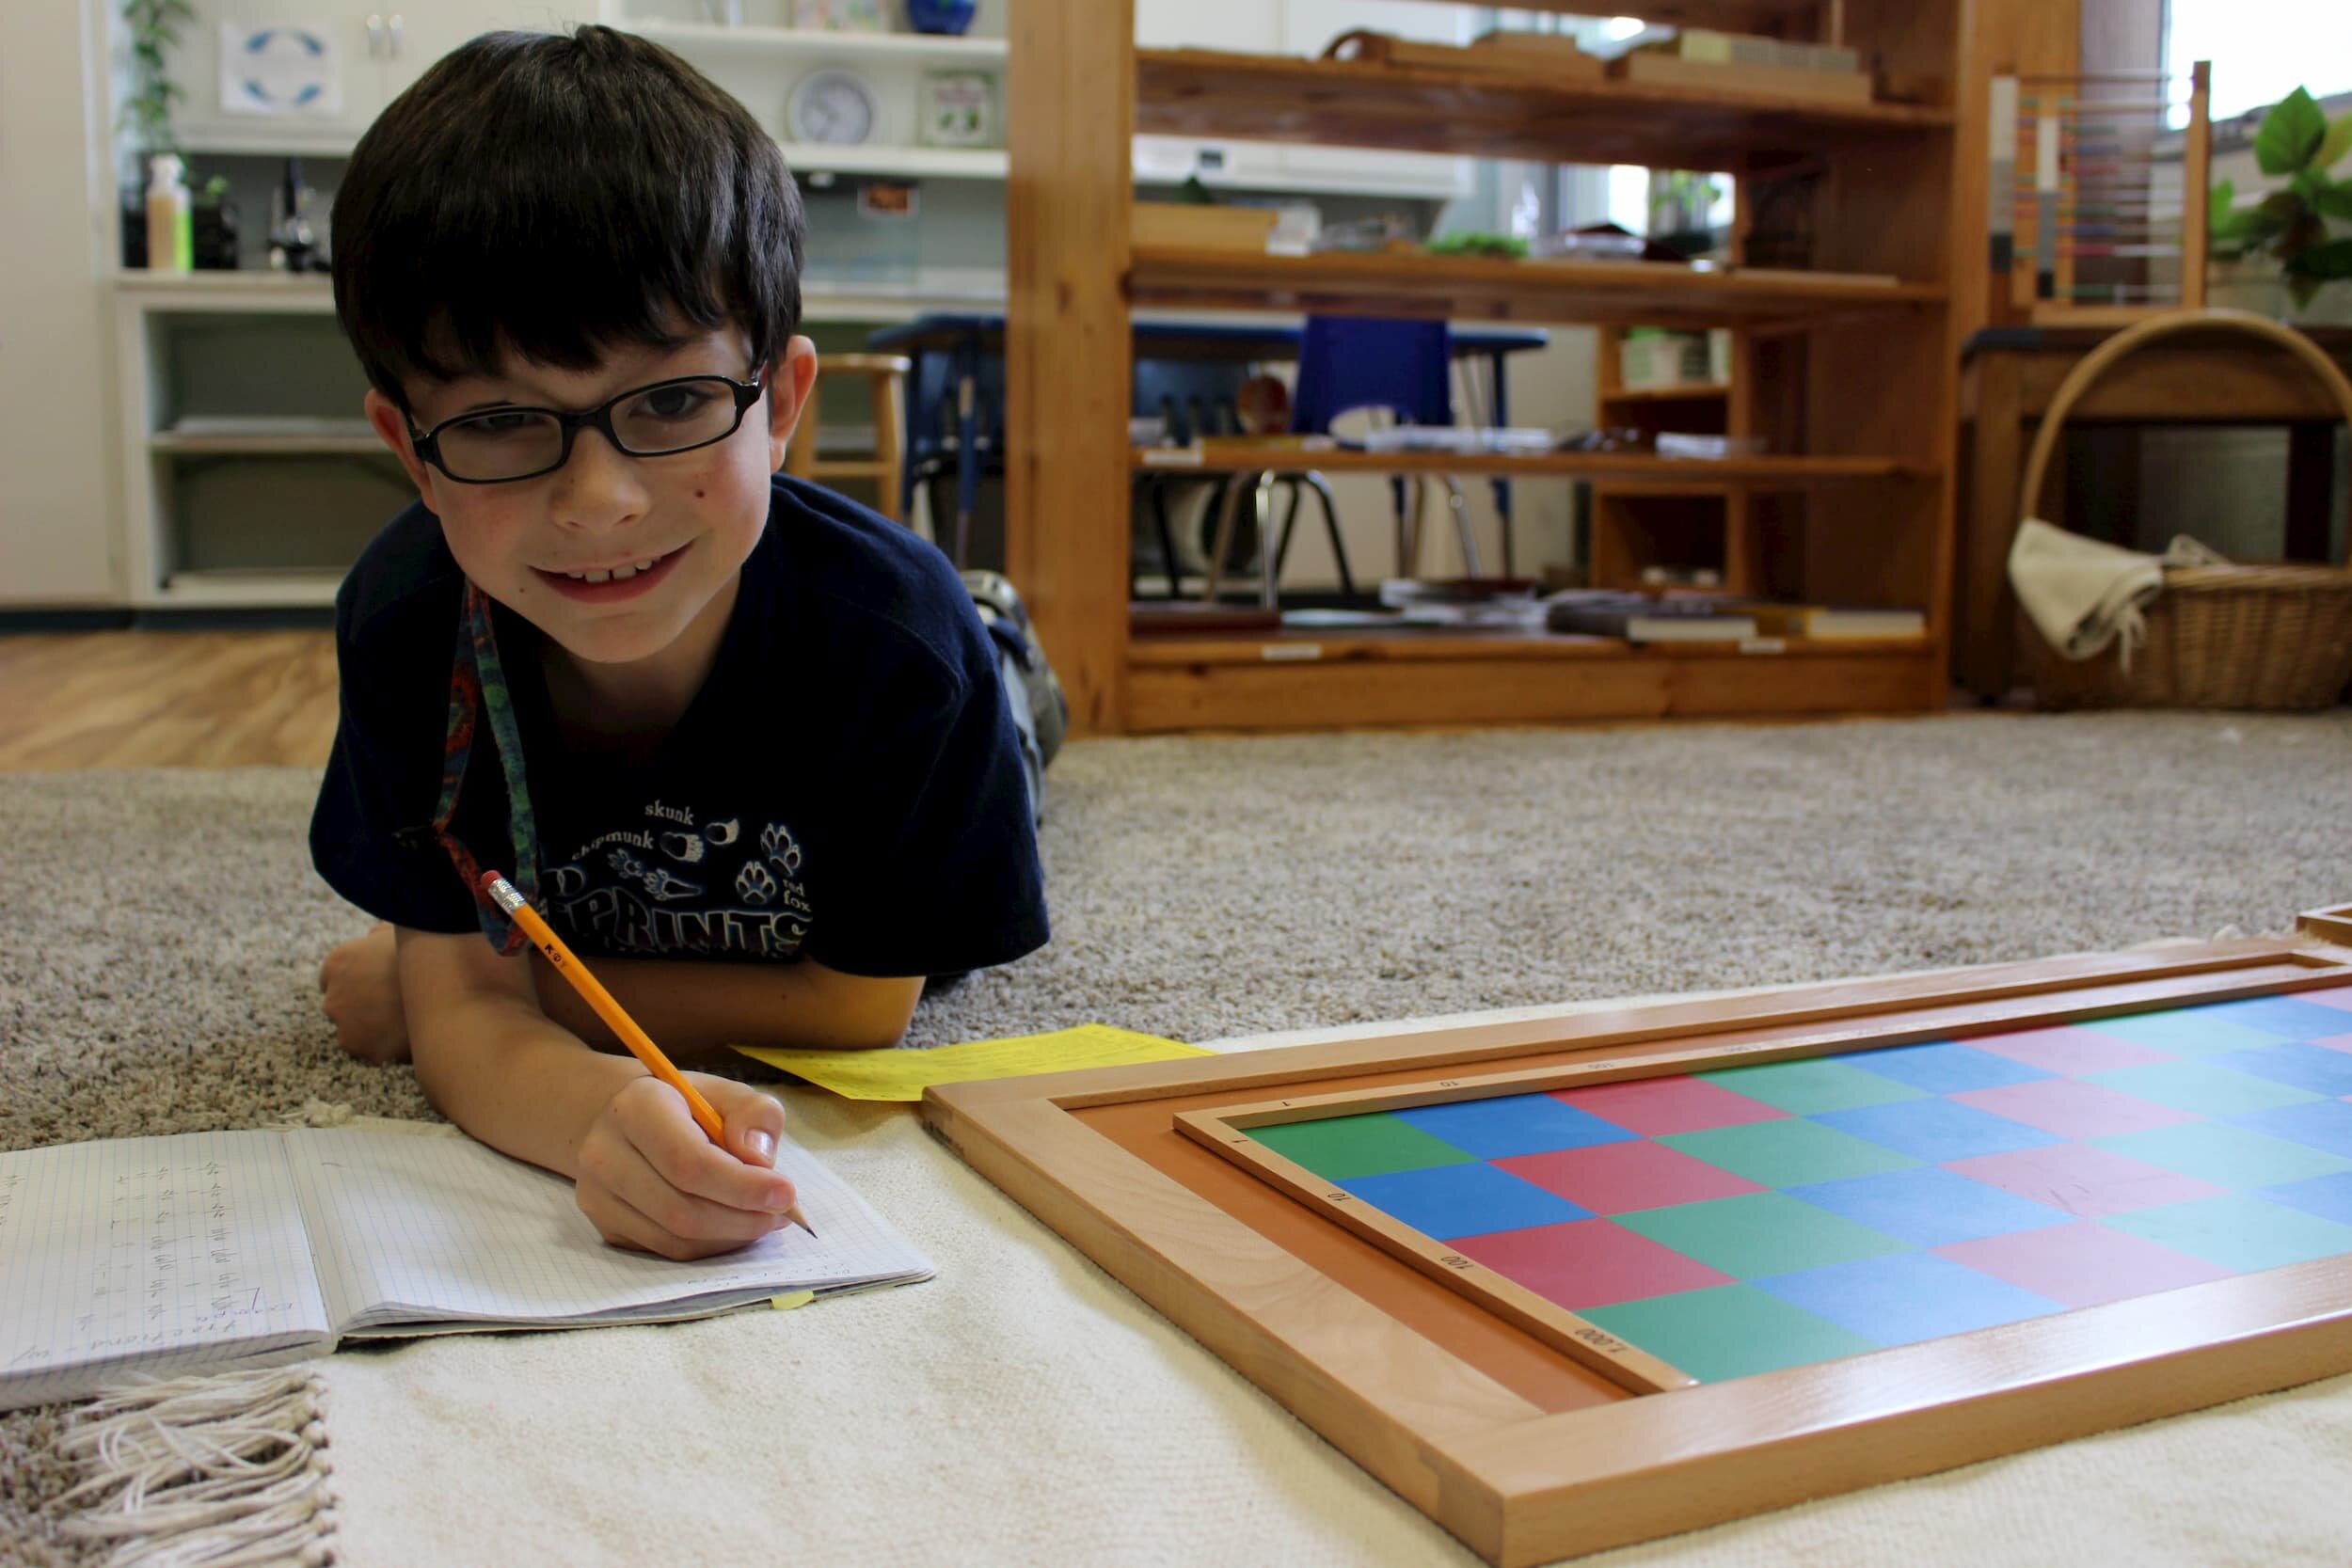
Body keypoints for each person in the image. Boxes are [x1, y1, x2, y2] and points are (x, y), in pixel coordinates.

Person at [310, 26, 1053, 1260]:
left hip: (955, 648)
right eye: (498, 421)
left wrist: (464, 993)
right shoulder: (405, 626)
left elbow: (861, 1008)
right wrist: (597, 1107)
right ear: (409, 452)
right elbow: (468, 1031)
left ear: (784, 406)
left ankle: (1011, 641)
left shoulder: (894, 651)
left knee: (993, 680)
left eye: (670, 401)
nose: (599, 499)